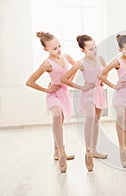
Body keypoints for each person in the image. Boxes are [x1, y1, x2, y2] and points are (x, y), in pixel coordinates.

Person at [26, 32, 76, 172]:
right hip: (53, 94)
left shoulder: (67, 57)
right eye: (54, 48)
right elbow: (29, 82)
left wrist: (71, 78)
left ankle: (56, 151)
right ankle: (61, 152)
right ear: (45, 49)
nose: (58, 49)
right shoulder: (47, 64)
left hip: (64, 94)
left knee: (59, 122)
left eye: (59, 46)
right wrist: (47, 90)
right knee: (56, 116)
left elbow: (77, 66)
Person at [61, 35, 108, 172]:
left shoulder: (99, 59)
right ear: (83, 50)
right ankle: (88, 150)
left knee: (96, 120)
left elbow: (105, 71)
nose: (94, 51)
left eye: (95, 47)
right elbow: (65, 79)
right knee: (91, 116)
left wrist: (103, 79)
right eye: (91, 49)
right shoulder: (80, 63)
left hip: (99, 92)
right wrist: (80, 87)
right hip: (87, 93)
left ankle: (94, 149)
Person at [99, 34, 126, 168]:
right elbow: (100, 75)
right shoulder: (117, 62)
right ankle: (122, 148)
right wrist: (114, 85)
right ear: (120, 50)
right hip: (120, 95)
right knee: (121, 117)